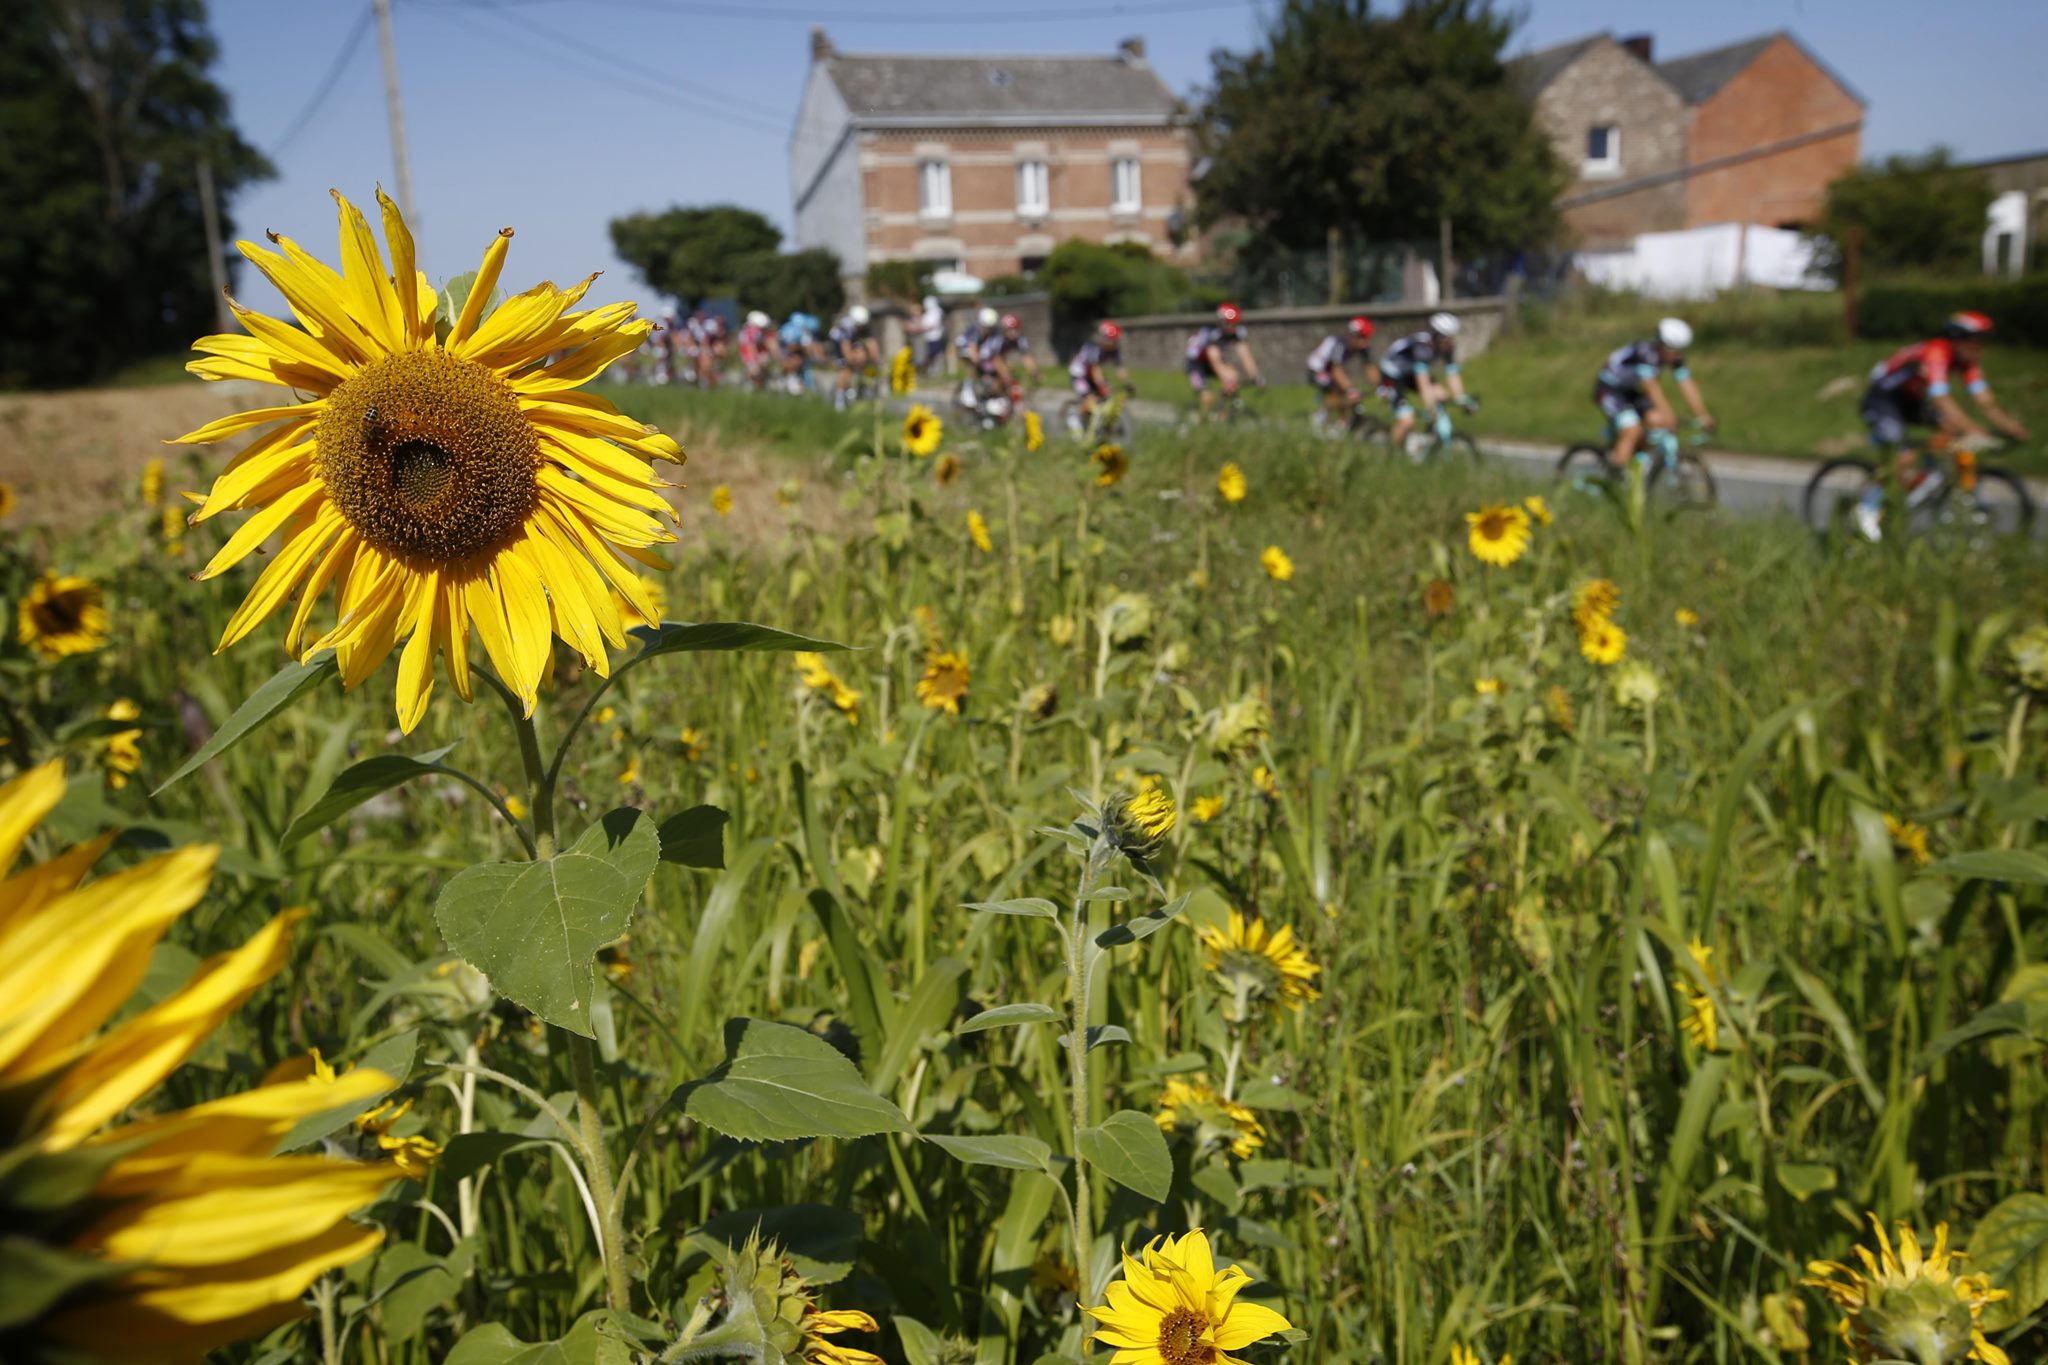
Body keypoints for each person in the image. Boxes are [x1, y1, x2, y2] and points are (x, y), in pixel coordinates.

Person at [1856, 310, 2029, 535]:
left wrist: (2009, 427)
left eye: (1981, 343)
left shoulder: (1968, 364)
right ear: (1957, 340)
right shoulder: (1937, 351)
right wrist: (1973, 429)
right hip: (1884, 397)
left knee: (1948, 432)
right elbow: (1941, 399)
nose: (1978, 348)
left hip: (1912, 399)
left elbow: (1984, 401)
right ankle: (1867, 509)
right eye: (1974, 342)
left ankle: (1923, 478)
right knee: (1905, 454)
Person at [1594, 317, 1713, 470]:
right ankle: (1616, 478)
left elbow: (1687, 384)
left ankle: (1637, 460)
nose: (1677, 355)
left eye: (1680, 350)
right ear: (1662, 345)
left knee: (1656, 421)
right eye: (1673, 350)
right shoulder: (1645, 353)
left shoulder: (1674, 356)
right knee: (1632, 430)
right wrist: (1668, 414)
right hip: (1610, 389)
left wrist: (1702, 414)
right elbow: (1651, 387)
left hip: (1629, 390)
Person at [1378, 312, 1472, 447]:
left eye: (1453, 337)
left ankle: (1430, 437)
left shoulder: (1447, 346)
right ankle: (1390, 455)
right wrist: (1430, 407)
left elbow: (1453, 375)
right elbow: (1423, 383)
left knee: (1442, 395)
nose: (1452, 342)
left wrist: (1462, 399)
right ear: (1438, 337)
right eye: (1448, 338)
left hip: (1411, 372)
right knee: (1407, 421)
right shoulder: (1421, 347)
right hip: (1393, 375)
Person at [1185, 302, 1262, 419]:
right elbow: (1215, 360)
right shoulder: (1212, 334)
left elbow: (1245, 355)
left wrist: (1256, 377)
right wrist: (1226, 380)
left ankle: (1223, 411)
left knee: (1233, 375)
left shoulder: (1236, 333)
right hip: (1197, 364)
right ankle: (1202, 422)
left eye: (1235, 324)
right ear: (1222, 322)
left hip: (1211, 362)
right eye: (1230, 324)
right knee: (1207, 397)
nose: (1233, 327)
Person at [1306, 316, 1376, 428]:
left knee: (1344, 392)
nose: (1366, 343)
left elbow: (1370, 367)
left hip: (1329, 372)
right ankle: (1320, 417)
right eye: (1363, 338)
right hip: (1317, 371)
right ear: (1354, 336)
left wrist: (1379, 385)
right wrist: (1351, 390)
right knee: (1338, 392)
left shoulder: (1362, 346)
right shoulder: (1339, 343)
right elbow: (1336, 370)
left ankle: (1342, 422)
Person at [975, 312, 1041, 421]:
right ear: (1005, 330)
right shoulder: (999, 338)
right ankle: (989, 400)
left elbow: (1027, 357)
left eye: (1017, 329)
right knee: (1001, 380)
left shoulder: (1020, 339)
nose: (1015, 333)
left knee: (1010, 379)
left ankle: (1003, 406)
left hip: (1000, 359)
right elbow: (996, 359)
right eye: (1012, 330)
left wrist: (1035, 372)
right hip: (987, 360)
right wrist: (1006, 376)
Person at [1068, 320, 1132, 428]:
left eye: (1116, 340)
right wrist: (1102, 385)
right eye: (1114, 340)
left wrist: (1128, 383)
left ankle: (1095, 420)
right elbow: (1095, 369)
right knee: (1089, 397)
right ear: (1106, 339)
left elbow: (1119, 367)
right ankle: (1075, 419)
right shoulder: (1094, 347)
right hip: (1080, 373)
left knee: (1105, 395)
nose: (1116, 343)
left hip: (1092, 373)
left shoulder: (1113, 349)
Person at [829, 305, 880, 410]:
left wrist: (875, 360)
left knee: (861, 355)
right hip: (839, 343)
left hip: (853, 341)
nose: (861, 327)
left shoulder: (864, 325)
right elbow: (845, 346)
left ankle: (862, 388)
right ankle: (840, 401)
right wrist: (851, 361)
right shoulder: (846, 327)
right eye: (859, 325)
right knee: (845, 368)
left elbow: (872, 343)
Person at [955, 305, 999, 406]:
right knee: (973, 363)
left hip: (978, 349)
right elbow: (973, 350)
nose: (988, 329)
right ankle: (967, 389)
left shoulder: (993, 334)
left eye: (990, 327)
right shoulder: (975, 331)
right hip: (964, 348)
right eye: (987, 326)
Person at [738, 310, 777, 390]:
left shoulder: (764, 330)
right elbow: (750, 347)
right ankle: (749, 381)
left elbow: (772, 343)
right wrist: (755, 361)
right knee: (755, 370)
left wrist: (776, 357)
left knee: (761, 369)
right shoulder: (750, 331)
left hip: (759, 352)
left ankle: (759, 383)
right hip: (749, 353)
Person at [912, 294, 948, 375]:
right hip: (928, 337)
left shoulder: (937, 312)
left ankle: (936, 370)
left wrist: (922, 328)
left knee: (935, 354)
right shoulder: (929, 313)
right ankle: (929, 370)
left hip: (935, 337)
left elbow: (932, 325)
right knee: (929, 355)